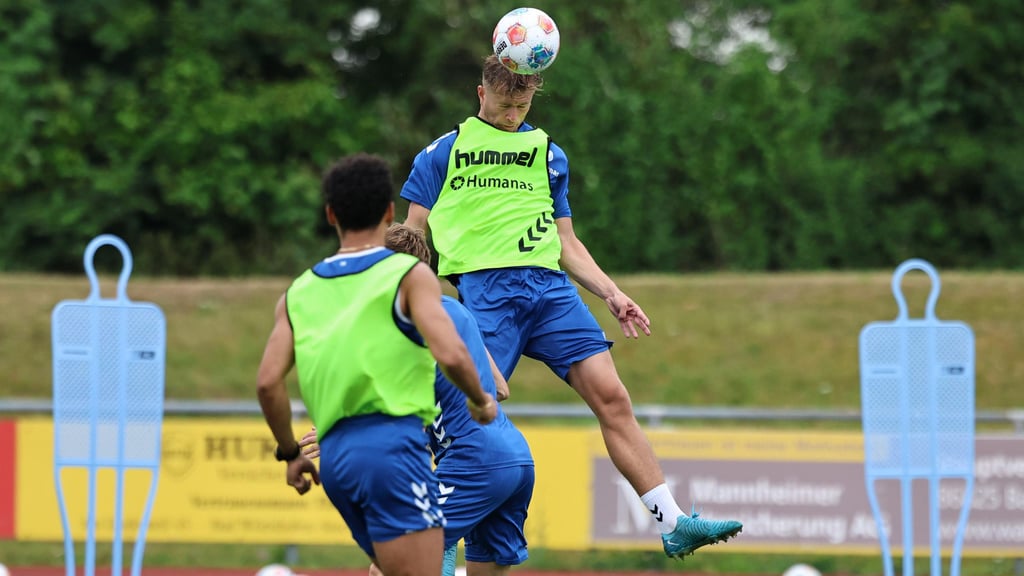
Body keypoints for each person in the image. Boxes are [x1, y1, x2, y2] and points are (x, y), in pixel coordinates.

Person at [399, 54, 742, 558]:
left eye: (522, 104)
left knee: (613, 397)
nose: (512, 114)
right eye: (503, 104)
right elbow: (413, 234)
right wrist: (412, 301)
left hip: (550, 292)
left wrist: (611, 292)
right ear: (480, 94)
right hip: (486, 292)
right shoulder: (443, 154)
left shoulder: (548, 153)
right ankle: (444, 533)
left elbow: (566, 242)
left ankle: (673, 522)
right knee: (478, 405)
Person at [256, 153, 497, 576]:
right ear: (390, 212)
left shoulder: (299, 291)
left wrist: (290, 452)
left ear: (331, 214)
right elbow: (450, 352)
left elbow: (267, 384)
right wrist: (480, 399)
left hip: (336, 461)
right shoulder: (407, 274)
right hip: (393, 450)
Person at [302, 223, 535, 576]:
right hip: (516, 458)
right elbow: (499, 388)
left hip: (472, 462)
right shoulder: (457, 312)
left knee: (393, 561)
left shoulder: (406, 320)